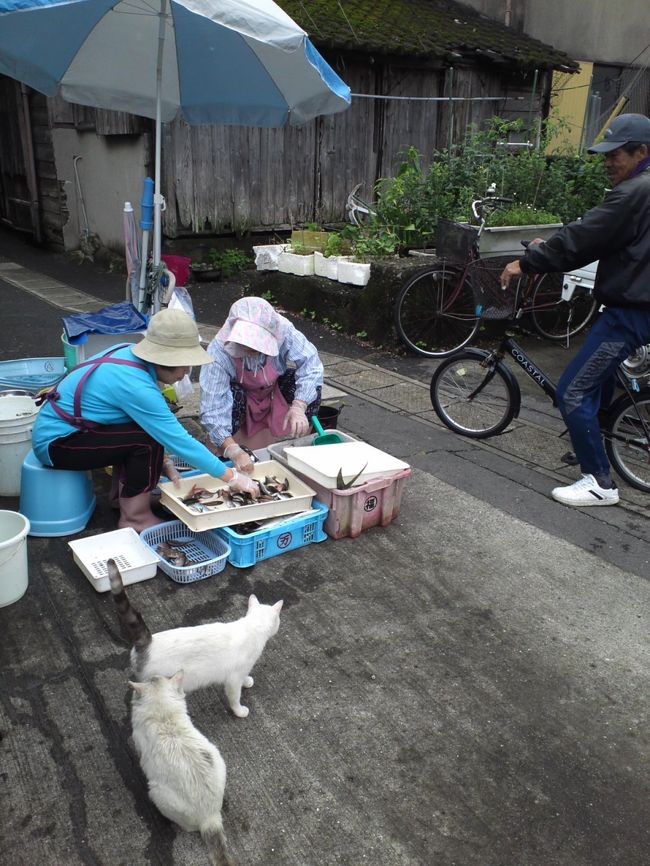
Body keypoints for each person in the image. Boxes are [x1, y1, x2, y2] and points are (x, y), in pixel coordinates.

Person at [500, 113, 650, 507]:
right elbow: (596, 233)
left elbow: (583, 238)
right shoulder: (641, 191)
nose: (607, 161)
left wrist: (529, 261)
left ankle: (600, 481)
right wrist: (547, 246)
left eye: (615, 154)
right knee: (597, 382)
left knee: (572, 391)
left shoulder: (635, 192)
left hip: (628, 313)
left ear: (641, 152)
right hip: (632, 306)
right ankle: (593, 446)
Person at [31, 308, 259, 532]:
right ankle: (135, 517)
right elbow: (180, 440)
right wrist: (230, 477)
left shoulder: (129, 352)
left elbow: (153, 424)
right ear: (164, 361)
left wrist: (164, 460)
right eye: (184, 365)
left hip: (73, 431)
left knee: (149, 433)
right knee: (145, 440)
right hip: (57, 444)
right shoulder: (136, 385)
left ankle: (123, 499)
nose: (186, 373)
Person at [199, 296, 324, 472]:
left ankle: (301, 445)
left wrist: (298, 406)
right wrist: (233, 450)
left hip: (273, 393)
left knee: (308, 386)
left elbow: (312, 364)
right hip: (240, 402)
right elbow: (211, 409)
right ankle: (224, 449)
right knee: (234, 396)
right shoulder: (219, 350)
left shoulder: (282, 329)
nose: (252, 349)